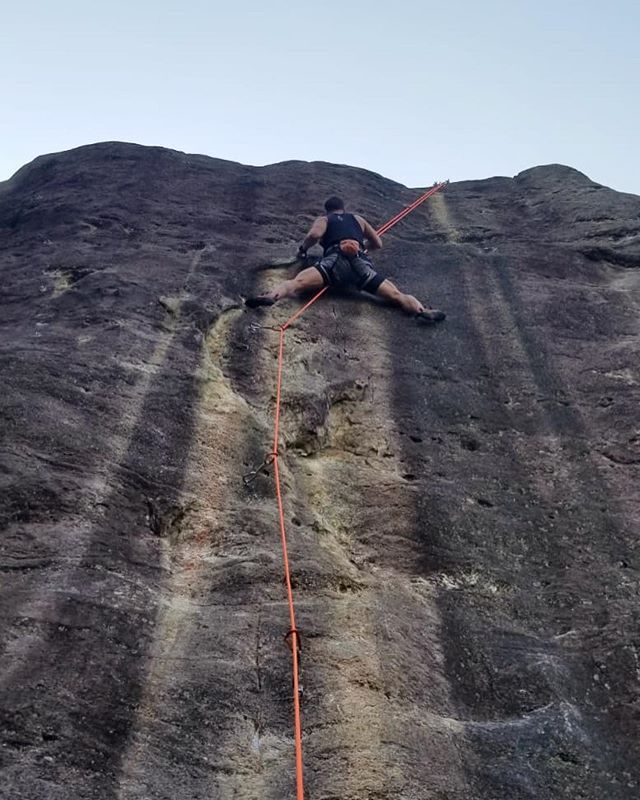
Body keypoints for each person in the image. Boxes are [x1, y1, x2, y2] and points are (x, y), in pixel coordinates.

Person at [245, 196, 445, 323]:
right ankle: (420, 310)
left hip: (333, 263)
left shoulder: (325, 220)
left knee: (295, 283)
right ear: (342, 208)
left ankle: (272, 296)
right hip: (360, 265)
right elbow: (378, 243)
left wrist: (303, 250)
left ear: (328, 210)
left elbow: (314, 235)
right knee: (396, 294)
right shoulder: (357, 219)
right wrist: (362, 248)